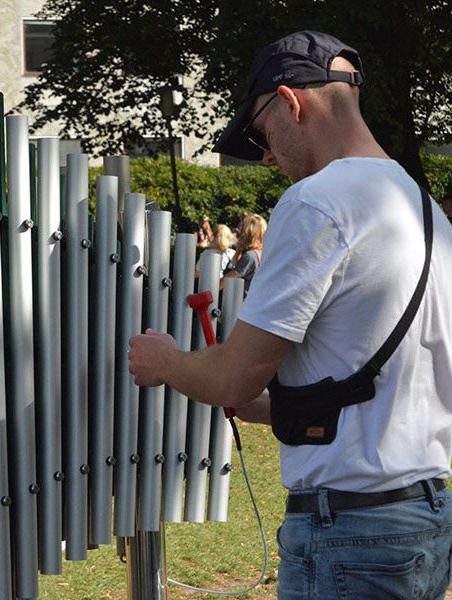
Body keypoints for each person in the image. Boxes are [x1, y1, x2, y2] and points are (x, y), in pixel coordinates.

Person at [128, 31, 452, 599]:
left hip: (350, 532)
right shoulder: (425, 211)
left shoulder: (317, 202)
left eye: (261, 134)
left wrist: (168, 362)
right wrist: (254, 397)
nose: (268, 155)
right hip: (424, 519)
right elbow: (371, 390)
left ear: (290, 102)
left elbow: (233, 375)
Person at [223, 213, 266, 293]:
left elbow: (225, 281)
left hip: (239, 303)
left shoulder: (250, 256)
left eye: (241, 228)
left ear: (248, 233)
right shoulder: (264, 252)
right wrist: (238, 252)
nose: (237, 231)